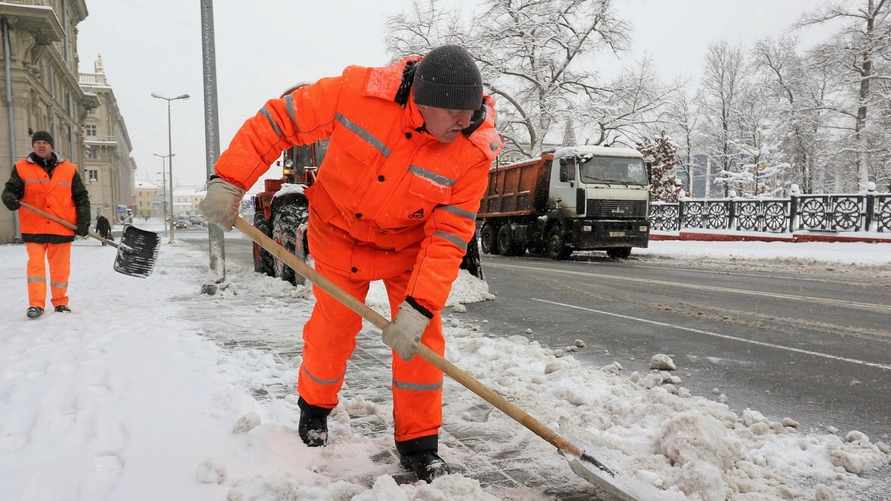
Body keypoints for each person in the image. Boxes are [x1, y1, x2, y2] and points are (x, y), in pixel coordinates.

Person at [200, 45, 502, 481]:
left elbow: (450, 233)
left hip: (406, 249)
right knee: (333, 330)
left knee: (422, 344)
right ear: (420, 98)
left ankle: (419, 443)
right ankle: (315, 410)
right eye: (454, 112)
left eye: (470, 111)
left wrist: (418, 308)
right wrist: (229, 180)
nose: (465, 121)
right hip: (339, 234)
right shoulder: (358, 95)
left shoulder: (471, 150)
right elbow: (279, 121)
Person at [2, 131, 90, 319]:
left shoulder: (69, 169)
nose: (41, 145)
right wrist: (9, 197)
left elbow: (81, 197)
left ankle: (60, 302)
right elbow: (11, 190)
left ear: (52, 146)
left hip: (62, 227)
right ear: (33, 146)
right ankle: (36, 305)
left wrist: (83, 221)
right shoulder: (21, 168)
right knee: (36, 268)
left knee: (60, 269)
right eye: (37, 142)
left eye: (45, 142)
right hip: (34, 227)